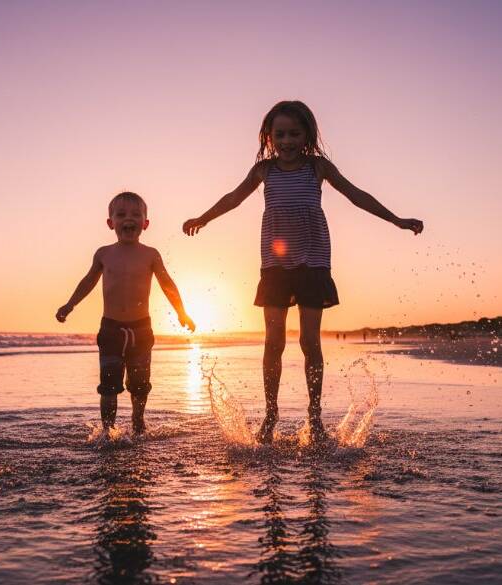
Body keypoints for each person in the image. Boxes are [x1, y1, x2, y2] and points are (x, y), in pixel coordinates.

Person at [183, 101, 423, 443]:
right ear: (269, 136)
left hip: (313, 262)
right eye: (279, 134)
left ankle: (315, 417)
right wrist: (202, 219)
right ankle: (270, 415)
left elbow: (356, 196)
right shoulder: (263, 172)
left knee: (310, 342)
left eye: (294, 133)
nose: (287, 140)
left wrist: (396, 220)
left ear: (308, 135)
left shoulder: (317, 168)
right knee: (273, 342)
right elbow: (233, 198)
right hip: (275, 266)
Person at [57, 192, 195, 435]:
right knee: (109, 384)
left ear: (145, 223)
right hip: (110, 329)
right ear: (110, 223)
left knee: (140, 385)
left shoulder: (150, 254)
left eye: (135, 215)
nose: (128, 219)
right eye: (121, 215)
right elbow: (88, 281)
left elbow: (167, 284)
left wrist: (182, 313)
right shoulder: (104, 254)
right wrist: (70, 305)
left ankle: (137, 421)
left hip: (141, 329)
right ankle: (108, 430)